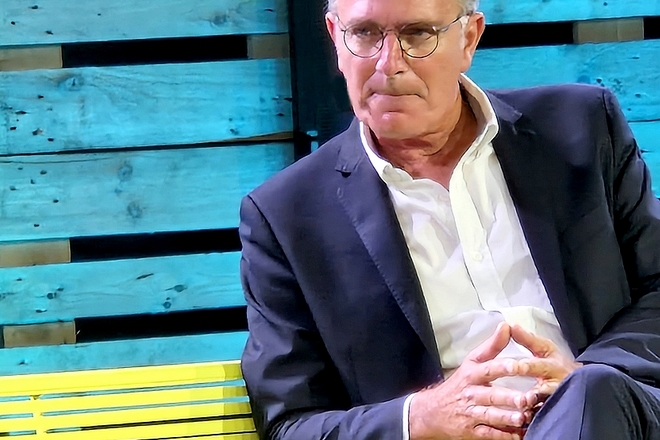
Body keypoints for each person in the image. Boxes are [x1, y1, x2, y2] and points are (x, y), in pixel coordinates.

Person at [239, 0, 660, 438]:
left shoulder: (582, 128)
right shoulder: (287, 217)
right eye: (364, 33)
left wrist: (578, 382)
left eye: (417, 34)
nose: (389, 63)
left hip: (619, 419)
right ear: (335, 38)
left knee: (592, 391)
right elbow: (289, 424)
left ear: (469, 38)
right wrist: (421, 417)